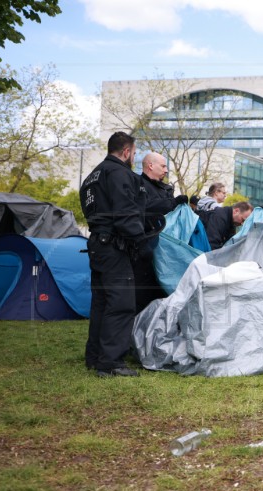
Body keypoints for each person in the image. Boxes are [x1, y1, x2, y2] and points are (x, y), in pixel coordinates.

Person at [79, 132, 147, 377]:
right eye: (134, 153)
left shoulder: (91, 176)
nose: (133, 158)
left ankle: (95, 357)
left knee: (101, 303)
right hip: (115, 245)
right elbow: (125, 210)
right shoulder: (119, 173)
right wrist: (140, 238)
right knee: (120, 304)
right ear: (127, 151)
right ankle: (111, 363)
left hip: (97, 243)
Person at [134, 152, 186, 312]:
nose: (166, 170)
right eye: (163, 166)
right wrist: (173, 203)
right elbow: (146, 207)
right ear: (150, 165)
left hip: (165, 252)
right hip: (145, 250)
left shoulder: (165, 189)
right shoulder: (138, 185)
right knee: (145, 296)